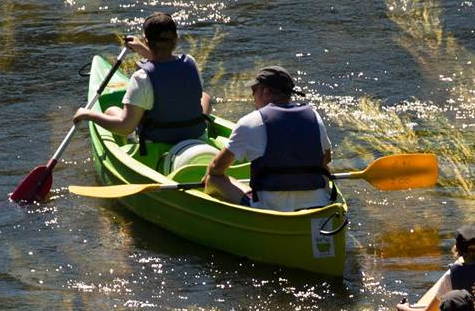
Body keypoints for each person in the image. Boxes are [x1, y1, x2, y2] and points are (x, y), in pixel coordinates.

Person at [73, 12, 214, 167]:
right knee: (205, 96)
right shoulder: (190, 63)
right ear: (176, 39)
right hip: (194, 135)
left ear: (147, 41)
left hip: (158, 143)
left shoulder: (141, 78)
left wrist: (88, 115)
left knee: (112, 110)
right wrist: (142, 49)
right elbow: (166, 69)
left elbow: (125, 127)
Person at [204, 66, 333, 212]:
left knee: (213, 179)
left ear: (265, 92)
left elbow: (217, 168)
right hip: (318, 205)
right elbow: (326, 158)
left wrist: (208, 175)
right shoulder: (314, 116)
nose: (253, 97)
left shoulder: (250, 122)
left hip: (271, 209)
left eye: (254, 91)